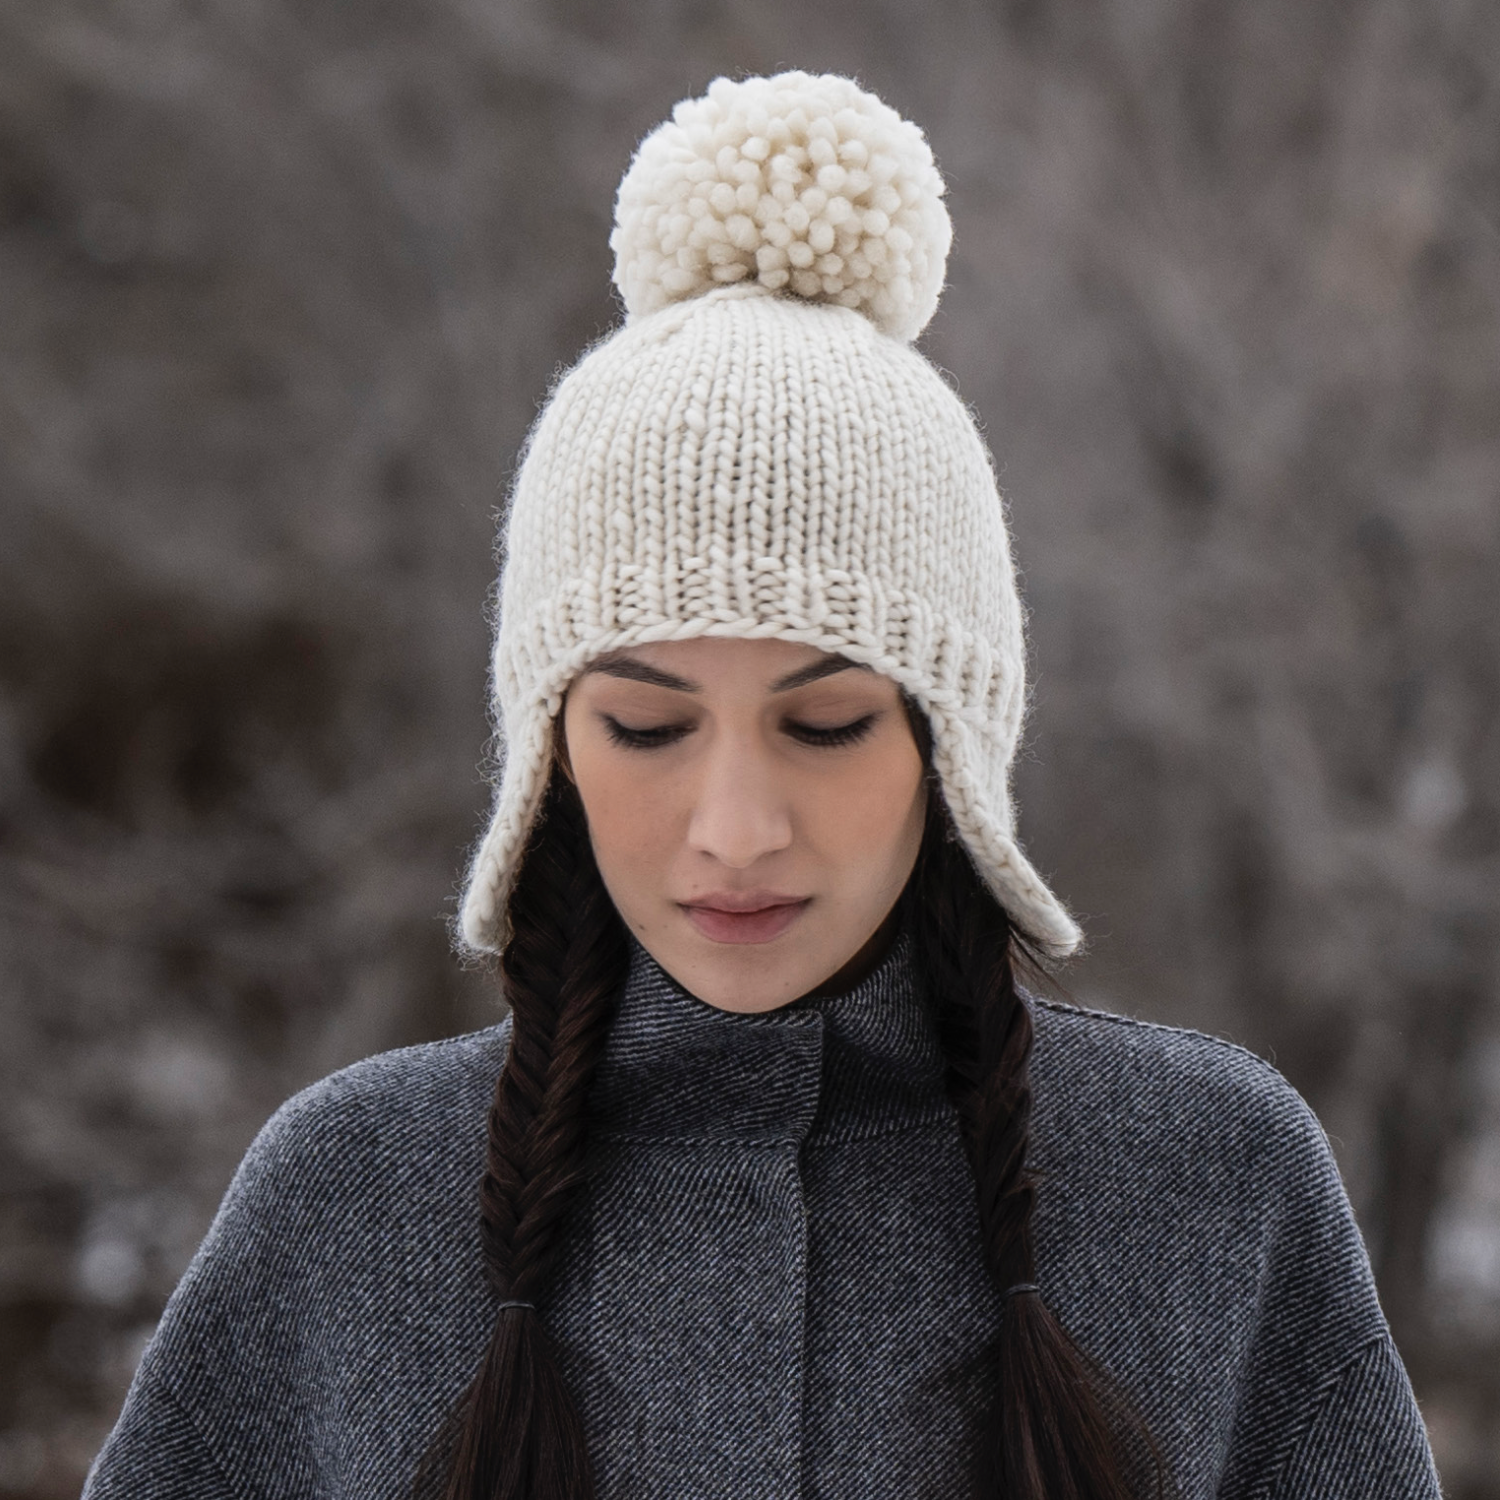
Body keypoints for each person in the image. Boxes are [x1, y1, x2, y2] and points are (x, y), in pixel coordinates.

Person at [82, 71, 1441, 1500]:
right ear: (548, 749)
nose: (734, 833)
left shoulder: (1213, 1182)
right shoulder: (348, 1202)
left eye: (831, 724)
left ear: (953, 741)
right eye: (647, 731)